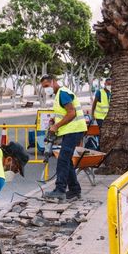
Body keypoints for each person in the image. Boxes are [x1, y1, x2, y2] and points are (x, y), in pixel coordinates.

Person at [40, 74, 88, 202]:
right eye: (43, 87)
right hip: (71, 130)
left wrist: (56, 125)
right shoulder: (59, 95)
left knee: (62, 159)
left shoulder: (63, 93)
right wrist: (54, 120)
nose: (46, 89)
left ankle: (60, 190)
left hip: (74, 129)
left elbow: (72, 113)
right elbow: (64, 113)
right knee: (66, 160)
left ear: (54, 82)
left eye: (47, 86)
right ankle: (74, 190)